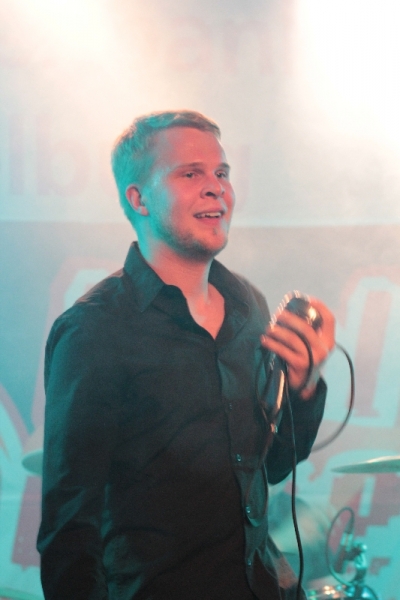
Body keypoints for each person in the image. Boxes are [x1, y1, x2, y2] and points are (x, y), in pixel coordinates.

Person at [37, 110, 335, 600]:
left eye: (221, 172)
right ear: (139, 199)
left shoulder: (249, 306)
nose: (216, 187)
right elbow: (69, 528)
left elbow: (273, 466)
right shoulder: (94, 330)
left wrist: (303, 387)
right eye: (190, 174)